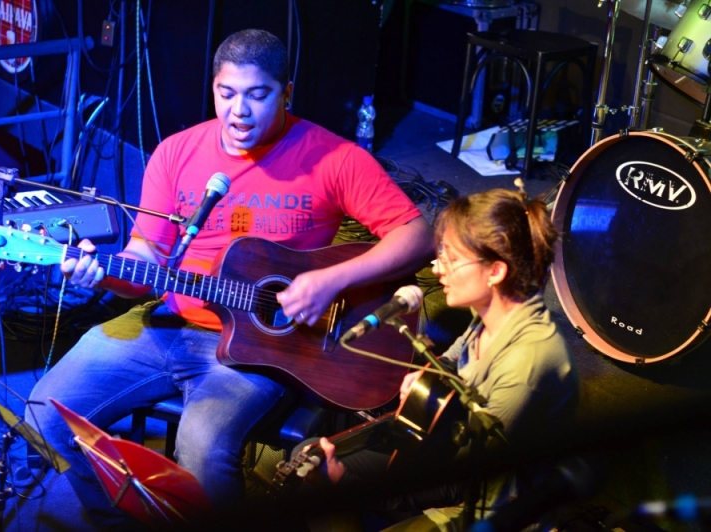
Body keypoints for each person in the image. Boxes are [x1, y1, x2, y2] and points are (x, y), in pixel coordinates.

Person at [24, 28, 433, 529]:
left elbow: (416, 236)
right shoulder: (176, 153)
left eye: (258, 95)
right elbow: (145, 258)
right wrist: (102, 275)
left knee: (203, 447)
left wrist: (330, 281)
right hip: (167, 324)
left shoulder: (333, 157)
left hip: (263, 348)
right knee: (44, 414)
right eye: (226, 94)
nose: (239, 111)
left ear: (286, 92)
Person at [304, 186, 579, 531]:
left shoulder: (527, 363)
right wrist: (427, 376)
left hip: (488, 504)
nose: (437, 268)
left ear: (495, 271)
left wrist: (353, 487)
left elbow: (474, 479)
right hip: (450, 445)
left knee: (330, 489)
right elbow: (453, 357)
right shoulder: (491, 313)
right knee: (311, 452)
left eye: (450, 258)